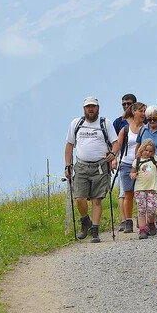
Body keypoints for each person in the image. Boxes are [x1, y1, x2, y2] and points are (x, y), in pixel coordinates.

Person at [64, 97, 118, 243]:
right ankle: (85, 220)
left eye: (93, 106)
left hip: (100, 166)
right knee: (79, 198)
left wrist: (113, 154)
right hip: (81, 166)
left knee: (97, 199)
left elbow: (115, 142)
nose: (91, 109)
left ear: (98, 108)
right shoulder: (77, 124)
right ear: (84, 109)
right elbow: (69, 145)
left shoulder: (105, 123)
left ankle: (95, 230)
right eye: (88, 107)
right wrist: (67, 165)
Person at [135, 106, 157, 233]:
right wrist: (137, 162)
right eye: (149, 119)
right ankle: (149, 222)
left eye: (154, 119)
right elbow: (138, 147)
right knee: (146, 194)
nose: (152, 122)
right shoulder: (143, 130)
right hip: (145, 169)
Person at [112, 102, 145, 233]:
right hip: (126, 163)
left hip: (142, 164)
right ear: (134, 112)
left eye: (144, 111)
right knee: (128, 194)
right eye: (141, 111)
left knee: (142, 193)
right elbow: (118, 146)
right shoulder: (125, 129)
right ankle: (128, 221)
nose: (143, 114)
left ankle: (143, 220)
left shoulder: (146, 128)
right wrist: (113, 159)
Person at [130, 140, 157, 239]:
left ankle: (151, 223)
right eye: (146, 150)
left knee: (151, 209)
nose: (147, 153)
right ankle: (142, 229)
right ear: (141, 149)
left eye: (150, 151)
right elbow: (132, 172)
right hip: (140, 189)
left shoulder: (154, 159)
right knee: (141, 209)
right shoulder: (137, 161)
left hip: (152, 188)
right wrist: (133, 175)